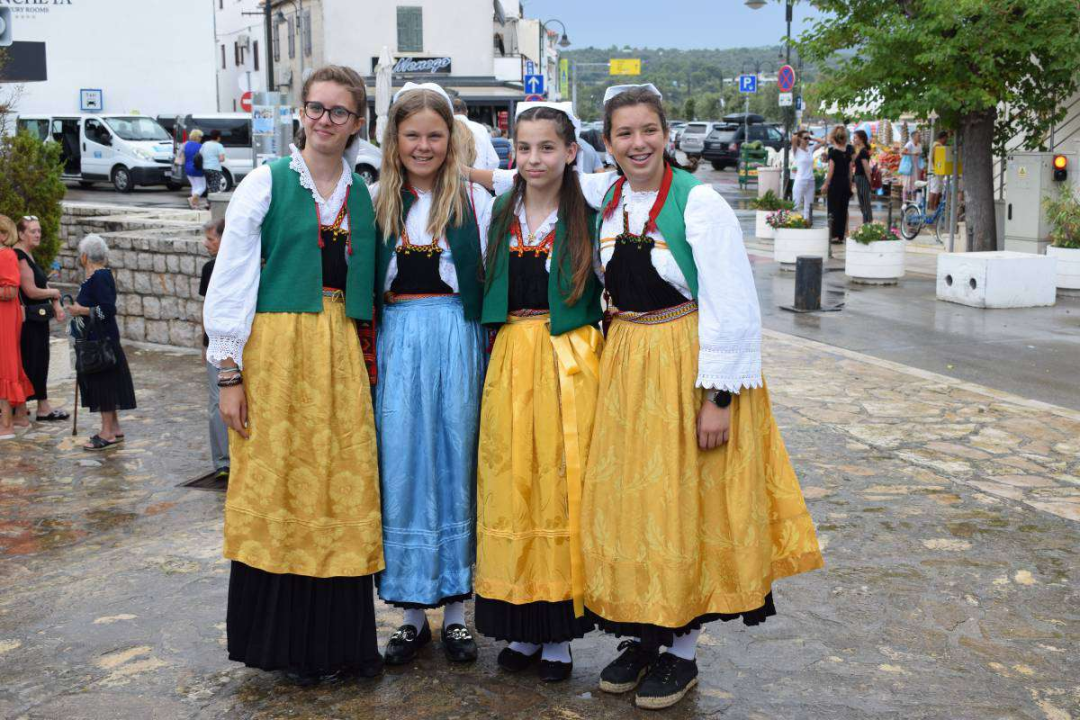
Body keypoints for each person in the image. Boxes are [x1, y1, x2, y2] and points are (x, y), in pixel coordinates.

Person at [476, 85, 823, 710]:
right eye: (624, 134)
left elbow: (734, 306)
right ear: (604, 145)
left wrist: (718, 396)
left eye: (648, 131)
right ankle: (644, 633)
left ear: (667, 134)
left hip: (685, 362)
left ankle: (682, 651)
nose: (638, 144)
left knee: (682, 503)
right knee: (633, 504)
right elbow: (529, 168)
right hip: (626, 364)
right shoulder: (604, 199)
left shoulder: (699, 203)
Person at [203, 65, 385, 684]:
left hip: (340, 353)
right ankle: (286, 647)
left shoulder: (364, 193)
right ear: (300, 113)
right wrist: (229, 375)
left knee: (339, 486)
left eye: (338, 111)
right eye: (315, 108)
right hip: (276, 354)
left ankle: (339, 644)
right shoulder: (266, 183)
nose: (324, 121)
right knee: (279, 485)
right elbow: (230, 283)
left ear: (357, 122)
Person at [475, 103, 603, 682]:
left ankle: (558, 636)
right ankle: (521, 628)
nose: (533, 159)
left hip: (566, 358)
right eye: (523, 148)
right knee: (511, 486)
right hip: (510, 359)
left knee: (559, 488)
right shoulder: (503, 208)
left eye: (546, 147)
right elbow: (491, 179)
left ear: (571, 152)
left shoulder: (589, 208)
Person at [371, 83, 493, 667]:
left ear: (452, 140)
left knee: (456, 457)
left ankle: (458, 614)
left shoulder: (475, 202)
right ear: (394, 140)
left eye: (434, 136)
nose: (423, 146)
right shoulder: (374, 201)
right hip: (398, 340)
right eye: (412, 135)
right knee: (404, 463)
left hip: (456, 338)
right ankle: (412, 614)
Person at [66, 235, 136, 450]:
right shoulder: (98, 276)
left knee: (104, 384)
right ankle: (114, 427)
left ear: (85, 256)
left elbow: (107, 310)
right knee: (107, 383)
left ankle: (107, 433)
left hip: (100, 341)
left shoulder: (100, 277)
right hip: (98, 339)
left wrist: (81, 310)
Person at [13, 216, 67, 426]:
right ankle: (29, 406)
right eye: (33, 231)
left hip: (37, 319)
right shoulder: (19, 257)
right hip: (27, 321)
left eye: (39, 231)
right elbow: (30, 291)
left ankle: (40, 405)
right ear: (20, 233)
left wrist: (55, 301)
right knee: (30, 361)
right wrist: (55, 292)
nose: (38, 235)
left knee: (40, 359)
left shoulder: (28, 255)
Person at [198, 218, 228, 482]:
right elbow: (206, 307)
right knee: (217, 400)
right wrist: (205, 341)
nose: (207, 244)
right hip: (217, 342)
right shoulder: (210, 269)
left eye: (211, 239)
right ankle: (222, 460)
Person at [0, 215, 34, 439]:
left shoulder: (6, 255)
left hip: (4, 316)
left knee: (5, 366)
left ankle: (6, 425)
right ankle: (20, 417)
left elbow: (10, 291)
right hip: (4, 315)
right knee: (11, 363)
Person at [821, 126, 854, 244]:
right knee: (843, 209)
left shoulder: (833, 153)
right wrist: (850, 185)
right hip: (845, 182)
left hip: (835, 183)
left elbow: (831, 170)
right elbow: (850, 172)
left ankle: (833, 235)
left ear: (833, 137)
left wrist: (825, 184)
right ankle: (840, 236)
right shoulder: (848, 152)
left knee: (833, 208)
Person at [452, 95, 501, 171]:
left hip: (451, 179)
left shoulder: (445, 127)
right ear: (467, 112)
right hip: (478, 179)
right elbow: (494, 161)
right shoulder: (480, 128)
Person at [791, 130, 823, 221]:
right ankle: (793, 223)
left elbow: (823, 142)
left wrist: (811, 137)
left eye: (808, 139)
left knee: (809, 205)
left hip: (811, 180)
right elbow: (793, 138)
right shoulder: (796, 150)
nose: (807, 140)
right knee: (795, 204)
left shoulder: (810, 149)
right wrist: (800, 134)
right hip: (800, 180)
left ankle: (807, 222)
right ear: (800, 139)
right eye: (805, 138)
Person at [181, 129, 207, 210]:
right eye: (200, 136)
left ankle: (194, 205)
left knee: (195, 187)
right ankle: (191, 199)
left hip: (188, 168)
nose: (201, 138)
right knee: (202, 187)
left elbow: (183, 157)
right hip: (197, 169)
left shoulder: (186, 145)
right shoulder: (200, 146)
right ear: (197, 137)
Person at [852, 129, 873, 225]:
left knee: (865, 202)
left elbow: (866, 168)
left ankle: (868, 223)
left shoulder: (863, 151)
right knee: (862, 202)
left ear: (861, 139)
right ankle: (866, 222)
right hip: (858, 177)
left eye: (855, 138)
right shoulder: (860, 150)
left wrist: (869, 181)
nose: (854, 139)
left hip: (862, 177)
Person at [928, 131, 949, 213]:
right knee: (934, 189)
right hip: (935, 170)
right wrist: (936, 167)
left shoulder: (937, 145)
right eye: (946, 138)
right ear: (943, 138)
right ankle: (931, 208)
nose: (946, 140)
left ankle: (934, 207)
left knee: (938, 189)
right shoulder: (937, 145)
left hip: (937, 170)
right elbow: (934, 157)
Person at [901, 130, 923, 203]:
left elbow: (920, 155)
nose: (919, 137)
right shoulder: (909, 144)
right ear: (913, 137)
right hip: (909, 167)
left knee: (915, 185)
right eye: (918, 136)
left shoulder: (919, 145)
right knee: (906, 185)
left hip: (916, 167)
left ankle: (914, 201)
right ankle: (904, 202)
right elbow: (903, 152)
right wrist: (913, 153)